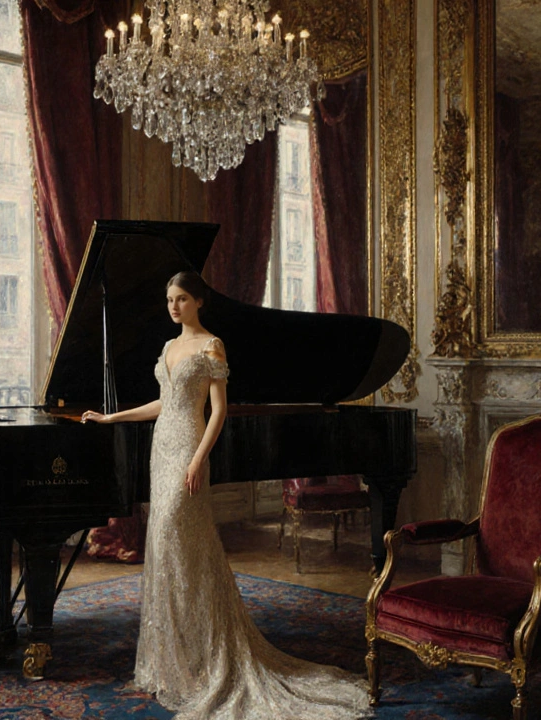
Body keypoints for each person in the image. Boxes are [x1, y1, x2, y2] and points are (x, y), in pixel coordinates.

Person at [81, 272, 371, 720]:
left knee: (182, 538)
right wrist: (111, 418)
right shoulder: (168, 347)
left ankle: (211, 654)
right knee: (165, 545)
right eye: (169, 300)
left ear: (198, 301)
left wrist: (198, 460)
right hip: (163, 448)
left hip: (190, 449)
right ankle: (176, 658)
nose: (173, 307)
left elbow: (218, 411)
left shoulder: (211, 346)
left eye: (181, 299)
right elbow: (163, 403)